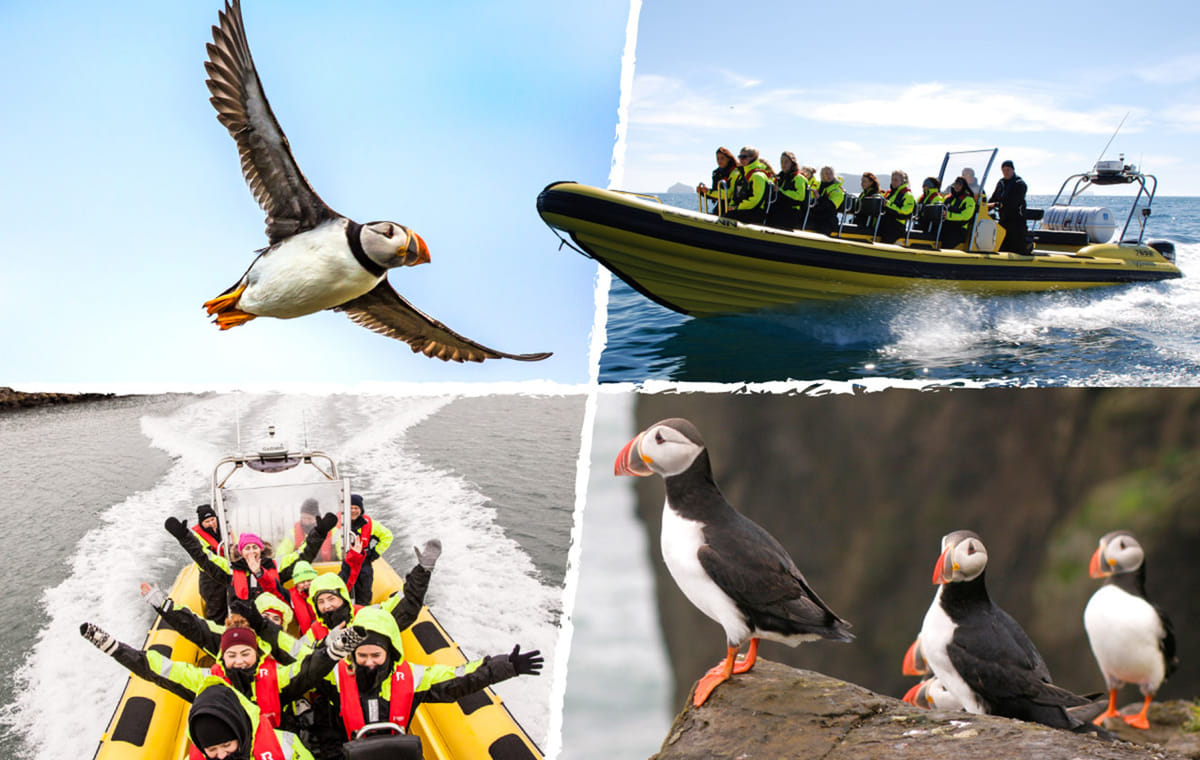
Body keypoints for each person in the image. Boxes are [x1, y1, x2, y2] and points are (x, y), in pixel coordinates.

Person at [326, 606, 542, 757]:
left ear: (389, 653)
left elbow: (462, 677)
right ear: (352, 654)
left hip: (397, 752)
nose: (369, 662)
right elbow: (302, 672)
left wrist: (506, 666)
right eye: (362, 656)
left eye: (376, 655)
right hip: (347, 752)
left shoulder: (414, 678)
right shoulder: (335, 675)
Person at [80, 619, 363, 733]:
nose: (239, 661)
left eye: (245, 654)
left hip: (273, 743)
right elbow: (157, 668)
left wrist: (335, 650)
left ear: (257, 655)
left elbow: (308, 670)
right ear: (223, 658)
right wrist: (115, 648)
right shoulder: (206, 682)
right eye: (232, 655)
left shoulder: (277, 678)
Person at [166, 512, 337, 606]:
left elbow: (303, 553)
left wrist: (320, 531)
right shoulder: (230, 570)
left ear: (261, 550)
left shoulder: (276, 565)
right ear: (240, 553)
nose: (251, 551)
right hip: (244, 621)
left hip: (273, 617)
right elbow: (203, 557)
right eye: (247, 548)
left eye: (255, 547)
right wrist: (184, 536)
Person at [188, 681, 314, 760]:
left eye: (227, 745)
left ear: (240, 732)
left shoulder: (286, 746)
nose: (221, 755)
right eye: (211, 750)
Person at [339, 494, 395, 605]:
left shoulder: (370, 524)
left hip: (363, 566)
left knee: (364, 594)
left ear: (361, 509)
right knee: (344, 594)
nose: (353, 510)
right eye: (350, 508)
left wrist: (374, 553)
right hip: (345, 564)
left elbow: (388, 536)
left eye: (356, 508)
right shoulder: (339, 524)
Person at [193, 504, 229, 623]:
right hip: (210, 576)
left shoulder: (224, 529)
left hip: (226, 570)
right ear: (201, 523)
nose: (211, 523)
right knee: (216, 608)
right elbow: (205, 557)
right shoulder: (197, 537)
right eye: (207, 521)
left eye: (213, 519)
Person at [989, 159, 1030, 253]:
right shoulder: (1001, 183)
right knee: (1002, 245)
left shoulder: (1020, 184)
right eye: (1003, 170)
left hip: (1017, 222)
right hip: (1003, 220)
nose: (1005, 172)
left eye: (1008, 169)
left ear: (1013, 170)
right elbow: (994, 197)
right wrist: (984, 206)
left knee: (1016, 246)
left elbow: (1013, 202)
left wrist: (996, 204)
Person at [728, 146, 775, 224]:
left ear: (753, 157)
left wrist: (737, 207)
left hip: (753, 214)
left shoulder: (758, 176)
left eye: (744, 157)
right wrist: (732, 206)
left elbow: (755, 200)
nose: (741, 159)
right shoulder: (741, 176)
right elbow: (735, 195)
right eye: (740, 157)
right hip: (741, 211)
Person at [696, 146, 741, 216]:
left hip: (733, 208)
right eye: (718, 159)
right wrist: (703, 192)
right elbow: (715, 195)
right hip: (720, 208)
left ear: (728, 158)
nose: (719, 161)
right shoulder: (716, 173)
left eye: (722, 158)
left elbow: (730, 193)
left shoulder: (736, 171)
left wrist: (709, 192)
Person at [769, 151, 808, 230]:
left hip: (791, 214)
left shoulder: (798, 178)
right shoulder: (780, 177)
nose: (783, 164)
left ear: (792, 163)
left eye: (786, 162)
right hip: (777, 212)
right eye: (782, 162)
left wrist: (780, 191)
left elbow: (800, 197)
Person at [878, 170, 915, 244]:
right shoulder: (889, 193)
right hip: (884, 224)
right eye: (892, 180)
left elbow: (904, 212)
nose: (893, 182)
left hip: (896, 227)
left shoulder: (908, 195)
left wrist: (888, 204)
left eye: (896, 180)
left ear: (903, 181)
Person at [940, 176, 977, 250]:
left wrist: (948, 215)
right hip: (946, 226)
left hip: (959, 230)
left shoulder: (969, 200)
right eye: (955, 184)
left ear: (963, 186)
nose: (957, 186)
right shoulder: (948, 198)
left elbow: (966, 216)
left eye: (959, 185)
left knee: (948, 242)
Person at [808, 167, 845, 235]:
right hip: (816, 216)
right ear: (822, 175)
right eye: (826, 173)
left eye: (831, 173)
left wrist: (819, 197)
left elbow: (831, 207)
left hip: (827, 220)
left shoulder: (837, 190)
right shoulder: (820, 186)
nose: (829, 175)